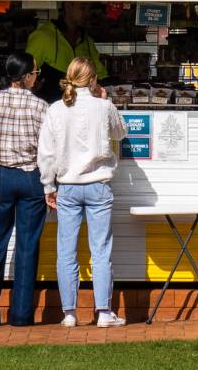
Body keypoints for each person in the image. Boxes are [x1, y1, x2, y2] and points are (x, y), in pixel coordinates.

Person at [37, 57, 128, 327]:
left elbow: (46, 152)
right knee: (100, 250)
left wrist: (48, 185)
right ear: (93, 79)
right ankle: (103, 312)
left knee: (66, 250)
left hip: (67, 186)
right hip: (98, 185)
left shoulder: (55, 109)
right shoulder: (104, 106)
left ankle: (69, 313)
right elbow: (121, 133)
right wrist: (106, 98)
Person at [0, 52, 49, 326]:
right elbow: (46, 150)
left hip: (2, 174)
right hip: (32, 177)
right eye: (36, 72)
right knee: (28, 246)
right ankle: (21, 315)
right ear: (27, 76)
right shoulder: (41, 107)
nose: (37, 77)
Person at [26, 2, 107, 103]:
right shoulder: (43, 36)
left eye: (89, 9)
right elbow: (25, 73)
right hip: (48, 108)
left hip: (81, 110)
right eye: (83, 7)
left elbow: (101, 75)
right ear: (68, 6)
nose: (87, 13)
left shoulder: (87, 41)